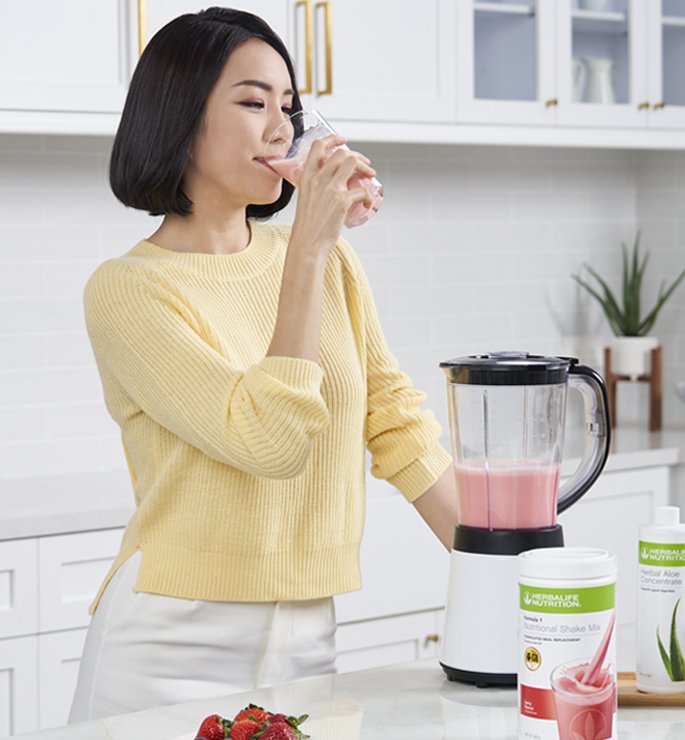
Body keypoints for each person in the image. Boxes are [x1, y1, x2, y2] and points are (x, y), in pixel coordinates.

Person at [69, 7, 457, 720]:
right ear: (181, 118)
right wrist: (310, 244)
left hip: (309, 635)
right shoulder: (128, 289)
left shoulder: (326, 259)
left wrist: (502, 567)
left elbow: (394, 422)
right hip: (169, 643)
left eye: (289, 105)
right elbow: (268, 440)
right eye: (254, 104)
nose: (283, 129)